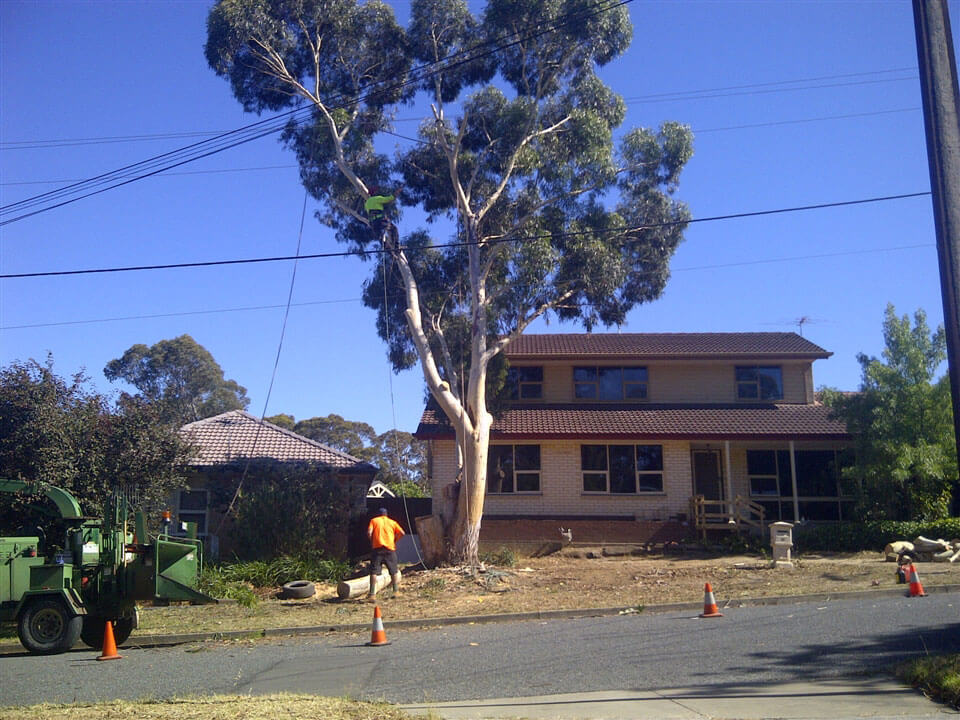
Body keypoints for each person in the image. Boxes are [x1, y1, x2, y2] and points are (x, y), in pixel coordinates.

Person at [367, 507, 405, 598]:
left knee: (373, 572)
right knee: (394, 571)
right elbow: (402, 533)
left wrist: (372, 541)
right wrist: (394, 540)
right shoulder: (392, 522)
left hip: (377, 548)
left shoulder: (374, 521)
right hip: (390, 548)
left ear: (378, 514)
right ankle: (396, 591)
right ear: (386, 515)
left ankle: (372, 594)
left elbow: (369, 532)